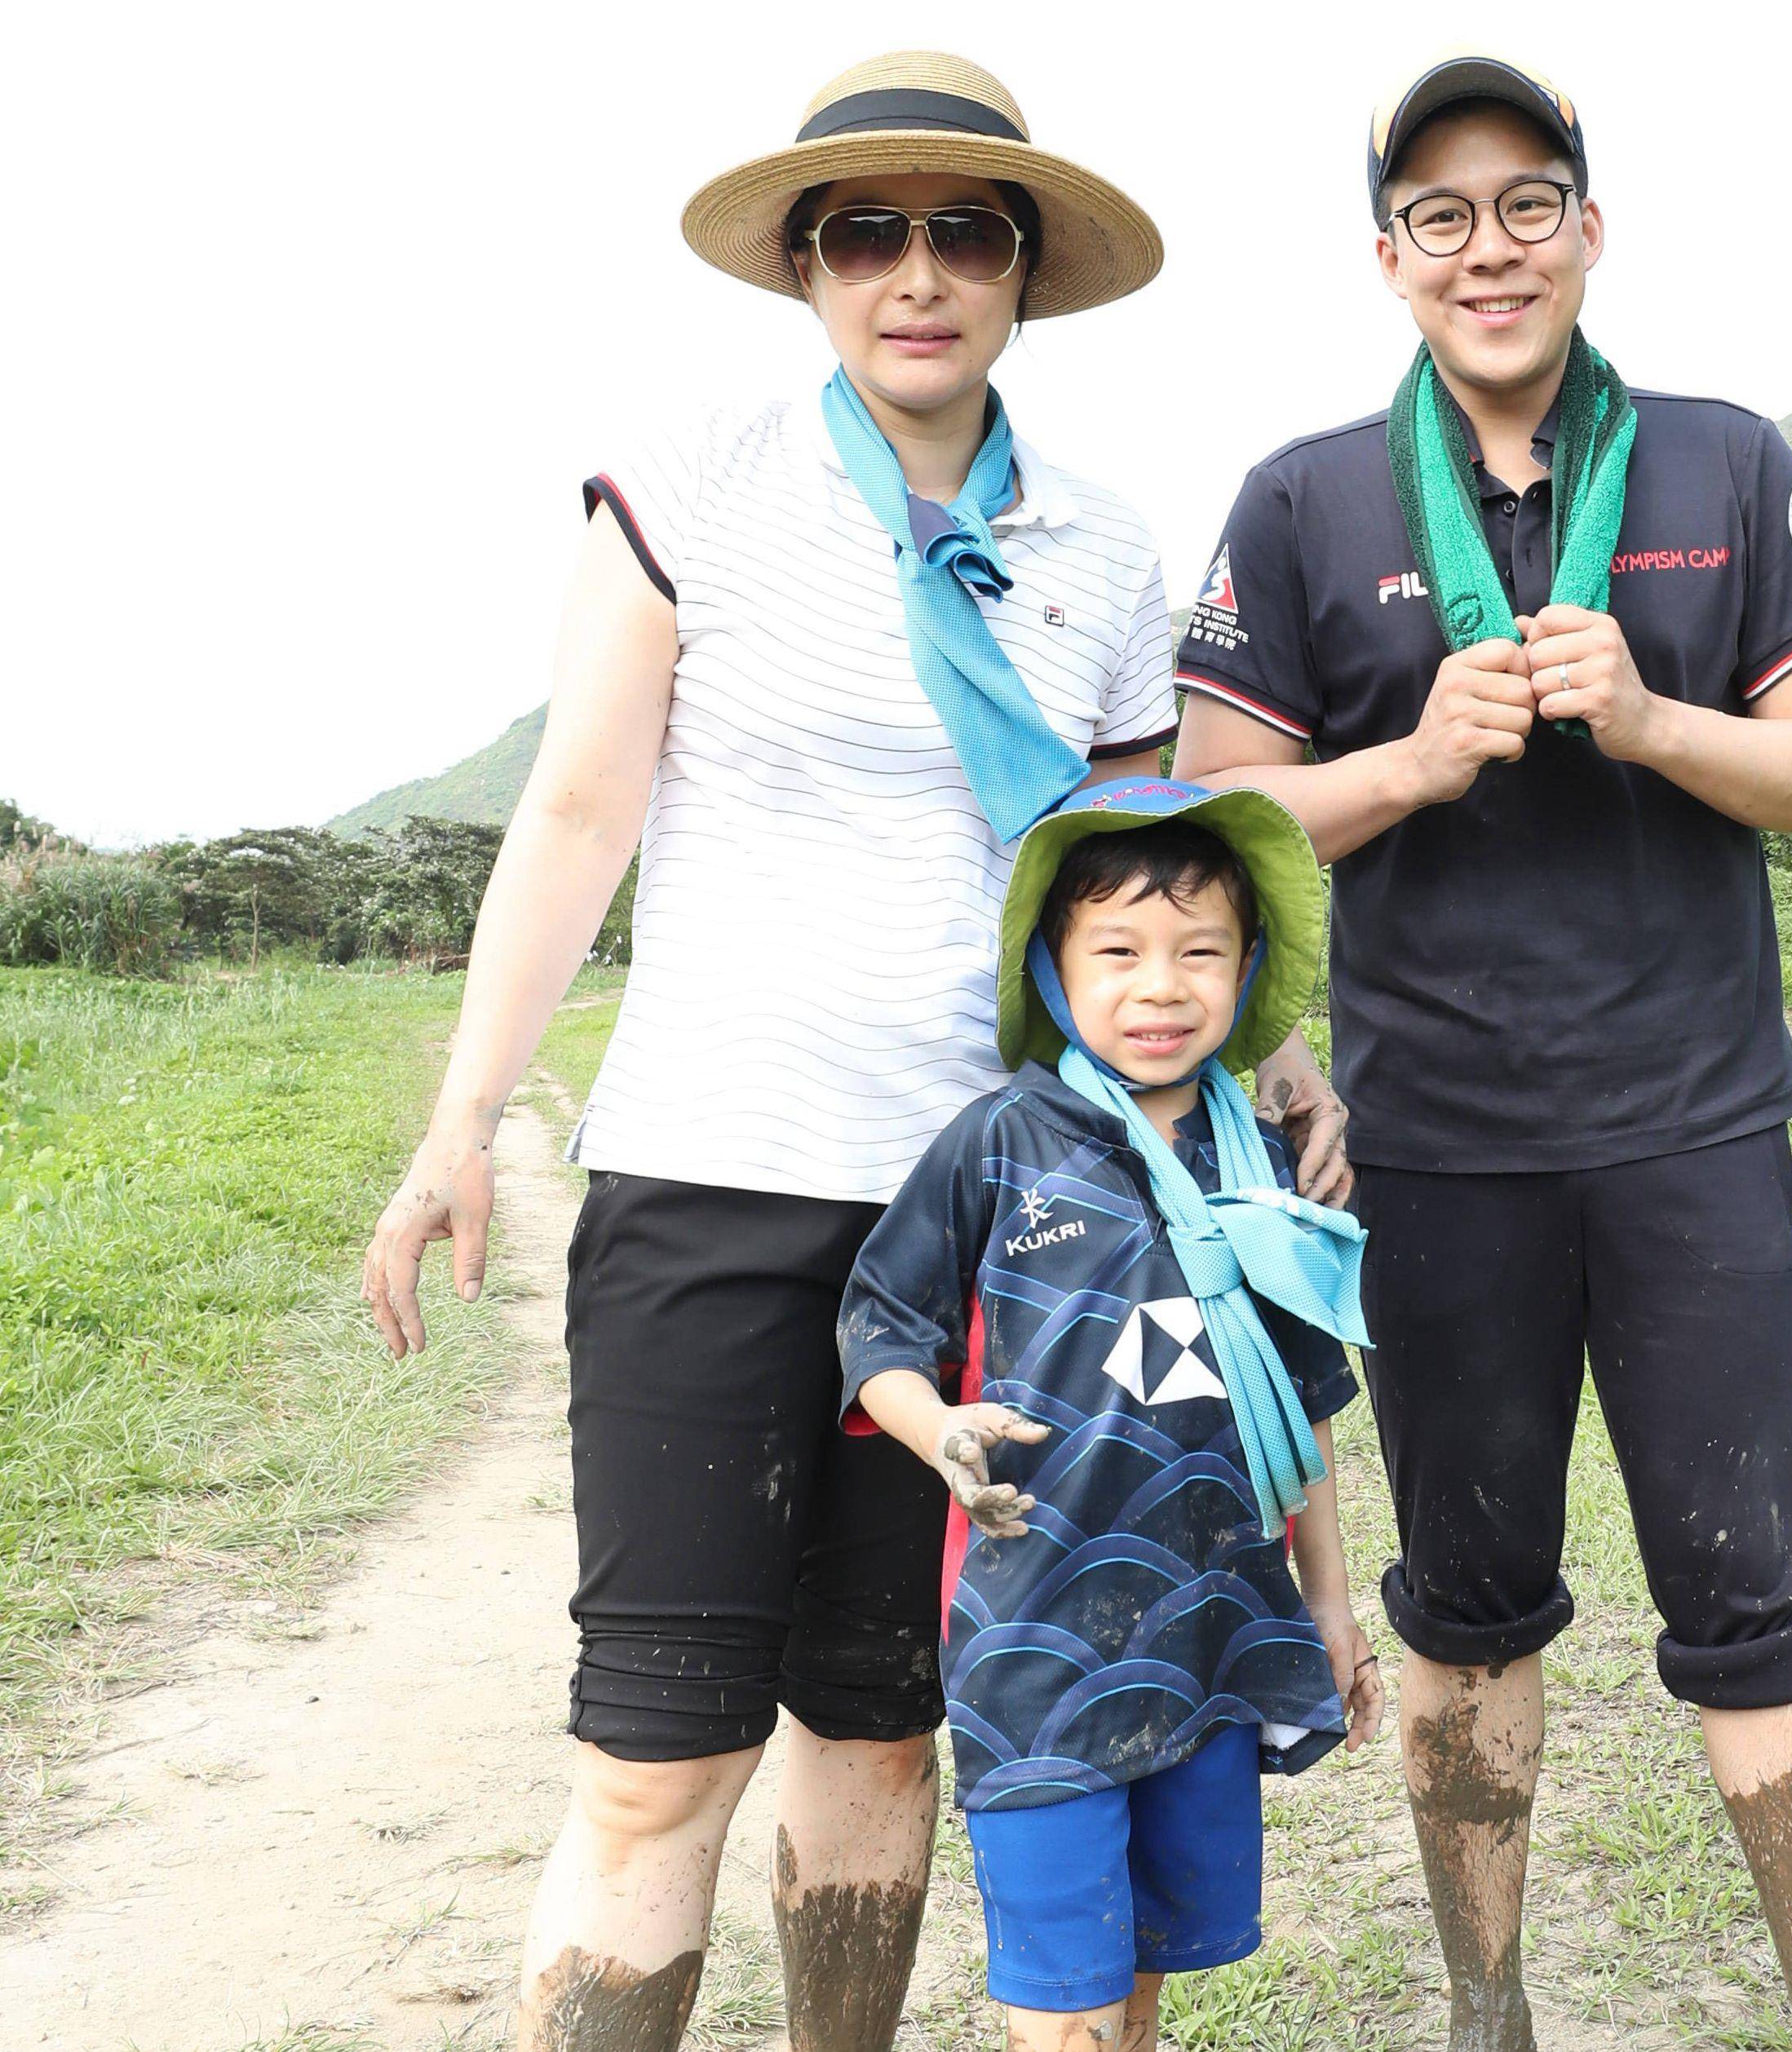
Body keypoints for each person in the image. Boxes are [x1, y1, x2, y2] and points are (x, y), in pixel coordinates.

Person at [356, 53, 1345, 2052]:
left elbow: (1127, 885)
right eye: (866, 233)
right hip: (712, 1176)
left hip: (996, 1225)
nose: (917, 272)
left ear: (1021, 271)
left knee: (883, 1736)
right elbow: (574, 813)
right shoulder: (702, 481)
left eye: (963, 232)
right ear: (807, 269)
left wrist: (1269, 1055)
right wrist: (465, 1120)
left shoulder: (1100, 540)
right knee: (655, 1757)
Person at [1170, 50, 1792, 2052]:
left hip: (1691, 1132)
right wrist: (1407, 761)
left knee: (1760, 1606)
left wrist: (1657, 723)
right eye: (1440, 217)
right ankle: (1487, 2011)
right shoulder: (1304, 500)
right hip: (1431, 1149)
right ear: (1388, 260)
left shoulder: (1721, 463)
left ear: (1588, 229)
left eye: (1524, 206)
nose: (1486, 251)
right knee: (1464, 1610)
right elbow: (1217, 819)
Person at [841, 777, 1384, 2052]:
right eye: (1119, 953)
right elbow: (878, 1329)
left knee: (1145, 1978)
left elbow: (1293, 1419)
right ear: (1052, 967)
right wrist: (940, 1431)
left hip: (1207, 1637)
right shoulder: (997, 1144)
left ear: (1248, 974)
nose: (1161, 987)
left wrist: (1333, 1603)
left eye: (1202, 952)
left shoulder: (1260, 1164)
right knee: (1064, 2004)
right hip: (1034, 1644)